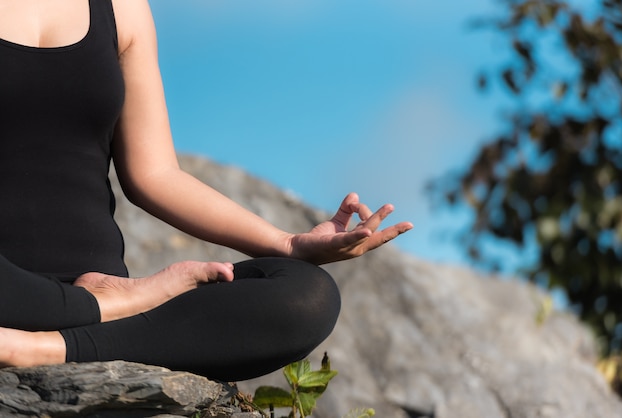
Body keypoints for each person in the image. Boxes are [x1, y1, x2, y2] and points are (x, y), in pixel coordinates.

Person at [0, 0, 412, 381]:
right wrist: (113, 301)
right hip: (32, 292)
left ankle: (44, 347)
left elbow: (156, 174)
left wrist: (286, 244)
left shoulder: (121, 9)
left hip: (111, 303)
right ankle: (89, 315)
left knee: (306, 295)